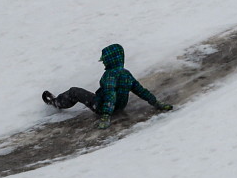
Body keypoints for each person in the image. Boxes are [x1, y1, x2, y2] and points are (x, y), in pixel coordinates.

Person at [42, 43, 173, 129]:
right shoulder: (127, 74)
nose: (103, 62)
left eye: (104, 59)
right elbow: (141, 91)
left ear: (111, 60)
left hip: (101, 106)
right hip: (120, 106)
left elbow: (110, 95)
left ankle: (56, 103)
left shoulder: (109, 75)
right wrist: (157, 103)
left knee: (74, 91)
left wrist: (105, 116)